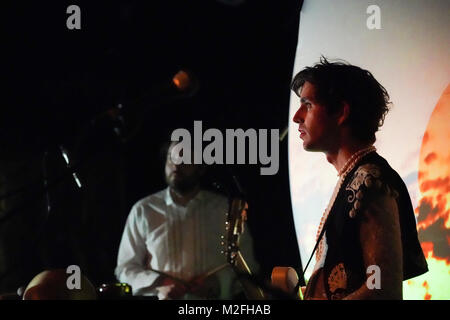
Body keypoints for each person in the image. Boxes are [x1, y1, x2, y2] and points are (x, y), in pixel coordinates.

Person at [291, 57, 428, 300]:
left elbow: (382, 290)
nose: (297, 117)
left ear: (341, 112)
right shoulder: (354, 179)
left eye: (308, 104)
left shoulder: (369, 179)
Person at [115, 140, 258, 299]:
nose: (176, 165)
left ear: (201, 167)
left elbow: (249, 266)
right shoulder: (143, 210)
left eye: (185, 159)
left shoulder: (224, 209)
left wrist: (218, 282)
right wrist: (159, 283)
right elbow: (125, 269)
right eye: (171, 158)